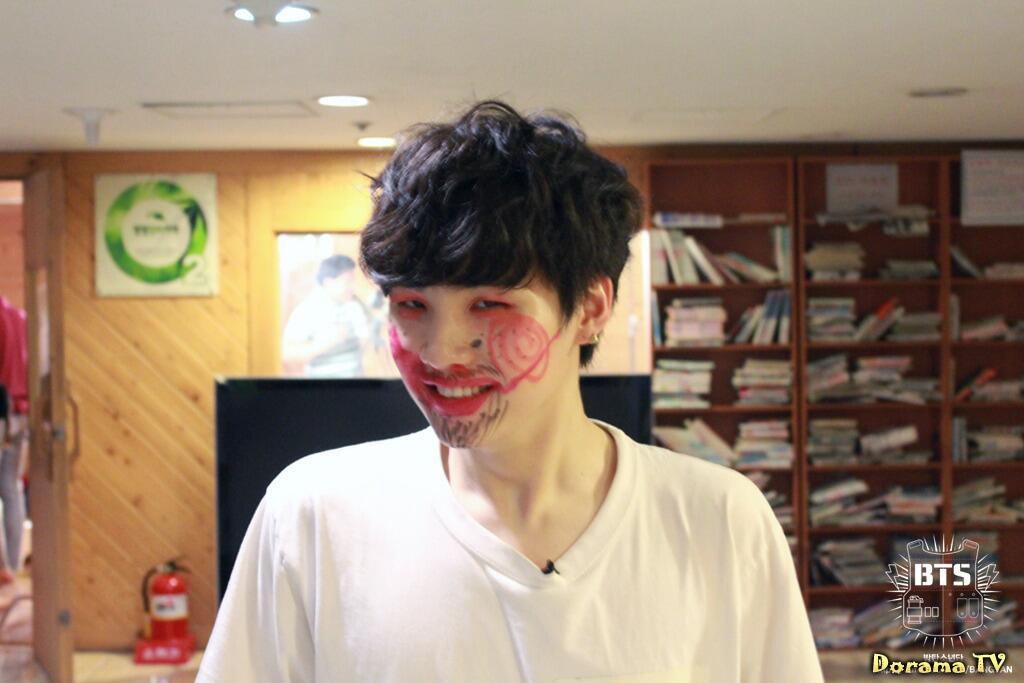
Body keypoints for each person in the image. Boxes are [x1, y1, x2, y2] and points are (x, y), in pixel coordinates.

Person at [199, 101, 823, 682]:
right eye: (412, 305)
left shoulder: (719, 521)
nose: (440, 352)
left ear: (591, 308)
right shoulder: (312, 515)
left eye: (489, 305)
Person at [281, 254, 370, 377]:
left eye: (353, 280)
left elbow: (363, 345)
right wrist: (323, 344)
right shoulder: (307, 310)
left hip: (356, 383)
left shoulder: (354, 307)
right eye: (347, 281)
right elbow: (286, 354)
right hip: (322, 385)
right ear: (328, 282)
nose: (352, 287)